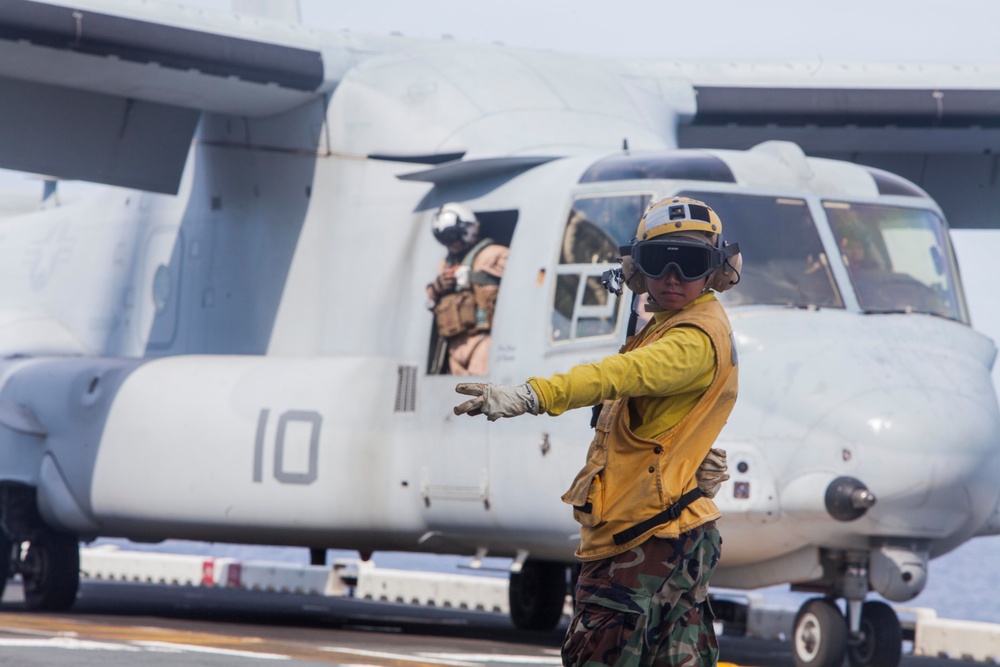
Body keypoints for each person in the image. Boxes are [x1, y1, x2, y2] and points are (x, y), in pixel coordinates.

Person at [453, 197, 742, 666]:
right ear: (636, 267)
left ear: (716, 269)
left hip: (642, 538)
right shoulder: (678, 325)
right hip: (678, 532)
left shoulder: (690, 339)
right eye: (657, 261)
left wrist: (530, 396)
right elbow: (667, 414)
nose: (671, 277)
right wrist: (688, 454)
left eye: (689, 263)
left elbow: (617, 375)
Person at [426, 203, 508, 376]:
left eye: (453, 236)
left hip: (482, 341)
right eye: (445, 239)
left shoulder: (493, 255)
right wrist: (438, 287)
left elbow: (521, 278)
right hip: (455, 345)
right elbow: (431, 299)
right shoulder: (445, 264)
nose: (452, 244)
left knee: (480, 395)